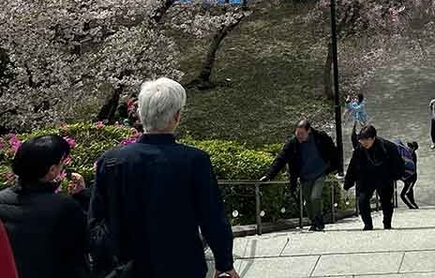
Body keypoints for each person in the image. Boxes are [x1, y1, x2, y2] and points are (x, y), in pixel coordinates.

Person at [90, 77, 237, 278]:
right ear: (177, 116)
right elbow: (212, 216)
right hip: (182, 265)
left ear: (140, 114)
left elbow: (97, 221)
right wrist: (224, 262)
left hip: (125, 268)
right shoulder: (195, 160)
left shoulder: (111, 161)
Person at [0, 134, 90, 278]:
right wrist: (82, 196)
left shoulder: (2, 200)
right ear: (52, 170)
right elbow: (86, 243)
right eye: (61, 162)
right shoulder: (64, 207)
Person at [260, 118, 339, 231]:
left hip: (320, 173)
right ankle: (314, 222)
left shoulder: (320, 137)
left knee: (315, 197)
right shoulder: (293, 143)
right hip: (305, 176)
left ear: (309, 131)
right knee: (307, 201)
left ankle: (319, 220)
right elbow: (281, 159)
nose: (299, 136)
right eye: (297, 133)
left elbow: (333, 151)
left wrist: (335, 167)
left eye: (302, 134)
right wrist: (269, 175)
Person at [342, 125, 402, 230]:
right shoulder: (359, 149)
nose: (364, 142)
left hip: (384, 178)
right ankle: (368, 224)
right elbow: (353, 166)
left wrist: (395, 175)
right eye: (361, 140)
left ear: (373, 138)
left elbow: (397, 163)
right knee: (362, 200)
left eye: (367, 140)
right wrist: (348, 183)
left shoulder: (387, 147)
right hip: (366, 179)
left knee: (386, 202)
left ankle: (387, 223)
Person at [398, 141, 419, 210]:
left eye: (410, 147)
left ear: (413, 149)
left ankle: (412, 206)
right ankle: (413, 205)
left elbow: (411, 168)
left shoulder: (412, 156)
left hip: (411, 178)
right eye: (408, 146)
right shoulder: (407, 154)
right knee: (408, 192)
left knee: (405, 193)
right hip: (407, 178)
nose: (408, 148)